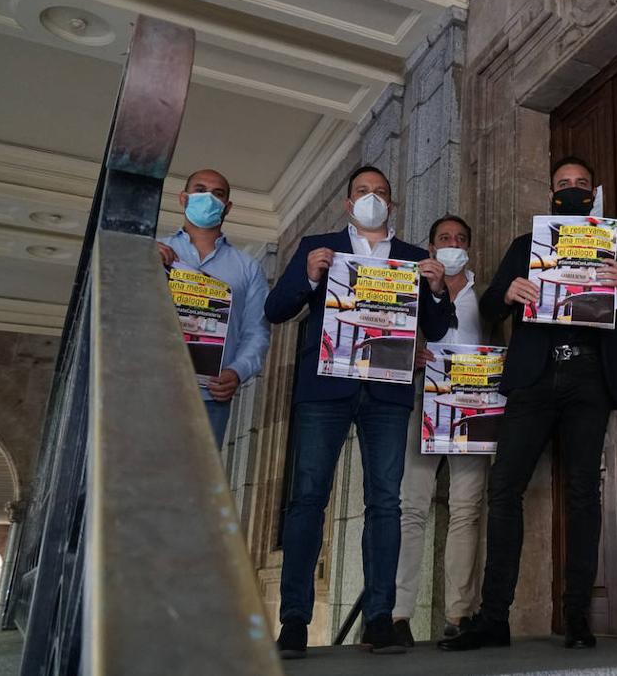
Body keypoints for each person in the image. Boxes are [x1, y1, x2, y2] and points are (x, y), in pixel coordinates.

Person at [440, 157, 617, 652]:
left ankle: (578, 616)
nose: (573, 190)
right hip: (534, 379)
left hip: (590, 380)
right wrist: (509, 293)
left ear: (593, 194)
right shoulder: (524, 246)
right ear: (551, 194)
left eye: (582, 184)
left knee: (584, 493)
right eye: (564, 184)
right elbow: (489, 308)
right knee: (504, 488)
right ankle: (494, 618)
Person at [265, 165, 454, 659]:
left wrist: (438, 289)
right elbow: (276, 308)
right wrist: (309, 276)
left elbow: (437, 329)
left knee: (386, 503)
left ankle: (379, 619)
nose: (373, 198)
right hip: (326, 387)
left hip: (387, 392)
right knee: (307, 499)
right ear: (349, 203)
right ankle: (294, 621)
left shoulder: (413, 257)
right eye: (363, 191)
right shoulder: (318, 246)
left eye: (381, 192)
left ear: (392, 203)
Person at [391, 215, 489, 647]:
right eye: (445, 238)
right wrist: (407, 353)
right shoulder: (410, 286)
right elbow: (386, 332)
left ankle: (459, 613)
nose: (453, 244)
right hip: (423, 399)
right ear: (431, 247)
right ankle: (397, 614)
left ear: (469, 247)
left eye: (460, 238)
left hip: (472, 406)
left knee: (467, 509)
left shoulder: (483, 295)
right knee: (411, 507)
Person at [157, 169, 270, 449]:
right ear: (183, 198)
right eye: (200, 190)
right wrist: (140, 261)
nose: (208, 198)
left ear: (227, 207)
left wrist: (238, 371)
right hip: (149, 386)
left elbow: (256, 331)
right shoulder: (152, 251)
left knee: (197, 476)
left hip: (209, 395)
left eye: (217, 194)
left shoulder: (248, 268)